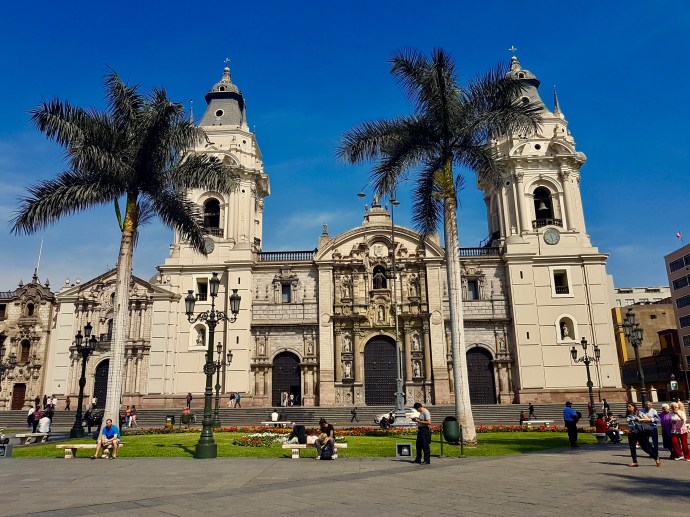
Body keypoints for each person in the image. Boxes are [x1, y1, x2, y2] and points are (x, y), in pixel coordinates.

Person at [625, 402, 660, 467]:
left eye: (629, 406)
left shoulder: (639, 413)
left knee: (645, 447)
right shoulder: (628, 415)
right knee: (632, 448)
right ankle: (634, 462)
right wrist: (628, 430)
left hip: (640, 432)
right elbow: (630, 423)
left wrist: (639, 419)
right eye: (627, 407)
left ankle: (656, 457)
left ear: (633, 407)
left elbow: (647, 419)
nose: (628, 408)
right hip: (632, 433)